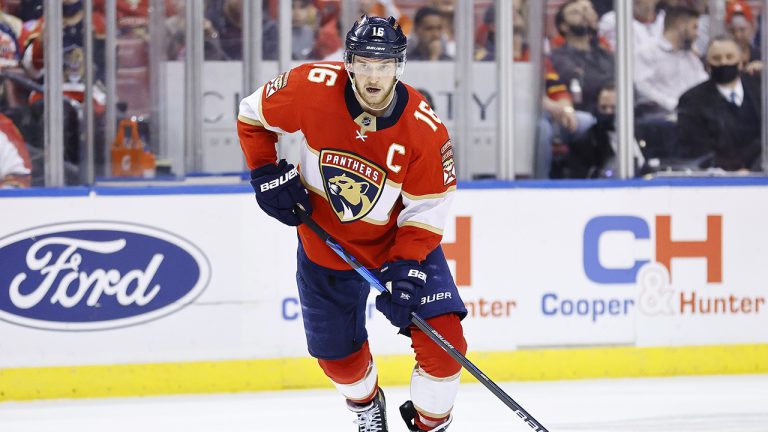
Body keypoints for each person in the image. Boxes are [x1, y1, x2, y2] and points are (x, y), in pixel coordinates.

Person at [237, 15, 467, 432]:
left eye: (383, 65)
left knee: (446, 347)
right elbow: (252, 115)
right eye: (364, 63)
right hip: (324, 247)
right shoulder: (310, 86)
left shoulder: (425, 130)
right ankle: (365, 405)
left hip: (396, 245)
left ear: (399, 67)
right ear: (348, 62)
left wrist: (408, 269)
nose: (373, 75)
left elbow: (426, 211)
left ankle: (430, 426)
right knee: (339, 362)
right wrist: (263, 172)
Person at [677, 35, 762, 171]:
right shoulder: (691, 100)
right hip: (718, 178)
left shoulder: (761, 90)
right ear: (707, 64)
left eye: (729, 57)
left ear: (740, 62)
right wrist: (734, 170)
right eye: (716, 59)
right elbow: (696, 148)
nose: (723, 62)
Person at [550, 0, 615, 114]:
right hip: (586, 112)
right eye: (575, 12)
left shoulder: (603, 52)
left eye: (584, 11)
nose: (583, 15)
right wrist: (610, 87)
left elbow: (626, 80)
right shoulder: (559, 57)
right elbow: (581, 83)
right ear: (563, 26)